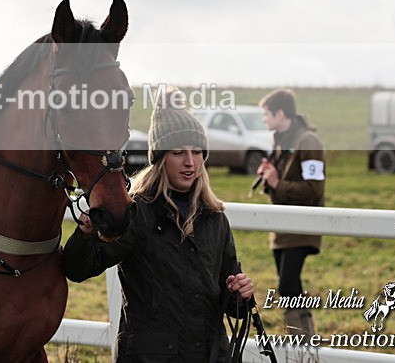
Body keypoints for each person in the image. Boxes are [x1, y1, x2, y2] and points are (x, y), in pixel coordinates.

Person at [62, 87, 254, 362]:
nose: (190, 162)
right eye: (178, 152)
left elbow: (231, 298)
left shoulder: (214, 217)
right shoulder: (137, 213)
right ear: (160, 158)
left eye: (197, 152)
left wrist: (240, 294)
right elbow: (78, 269)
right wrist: (85, 236)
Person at [256, 88, 325, 338]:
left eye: (267, 113)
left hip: (301, 227)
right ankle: (304, 342)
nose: (264, 119)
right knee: (290, 287)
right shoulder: (281, 141)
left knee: (287, 286)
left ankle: (301, 341)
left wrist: (277, 183)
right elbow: (280, 184)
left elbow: (314, 189)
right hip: (283, 228)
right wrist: (269, 179)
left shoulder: (308, 142)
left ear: (280, 113)